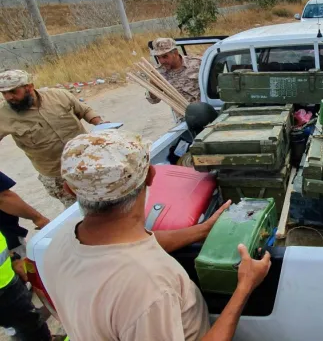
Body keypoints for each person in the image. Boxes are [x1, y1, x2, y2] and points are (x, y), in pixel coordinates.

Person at [44, 130, 271, 341]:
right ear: (152, 175)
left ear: (69, 189)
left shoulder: (64, 236)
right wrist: (245, 287)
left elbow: (139, 244)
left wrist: (202, 230)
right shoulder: (150, 285)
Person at [0, 70, 105, 208]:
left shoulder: (58, 95)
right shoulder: (3, 115)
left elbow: (85, 111)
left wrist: (102, 125)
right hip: (58, 177)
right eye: (3, 93)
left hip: (89, 161)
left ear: (29, 87)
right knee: (82, 211)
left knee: (109, 200)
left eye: (13, 91)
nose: (9, 97)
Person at [0, 172, 52, 341]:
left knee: (15, 321)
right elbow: (3, 197)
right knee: (26, 322)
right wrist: (39, 219)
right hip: (4, 282)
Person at [147, 37, 202, 105]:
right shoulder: (159, 73)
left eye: (165, 56)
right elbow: (153, 101)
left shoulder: (197, 63)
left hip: (206, 110)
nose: (162, 61)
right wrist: (153, 85)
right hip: (183, 114)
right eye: (158, 57)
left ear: (175, 53)